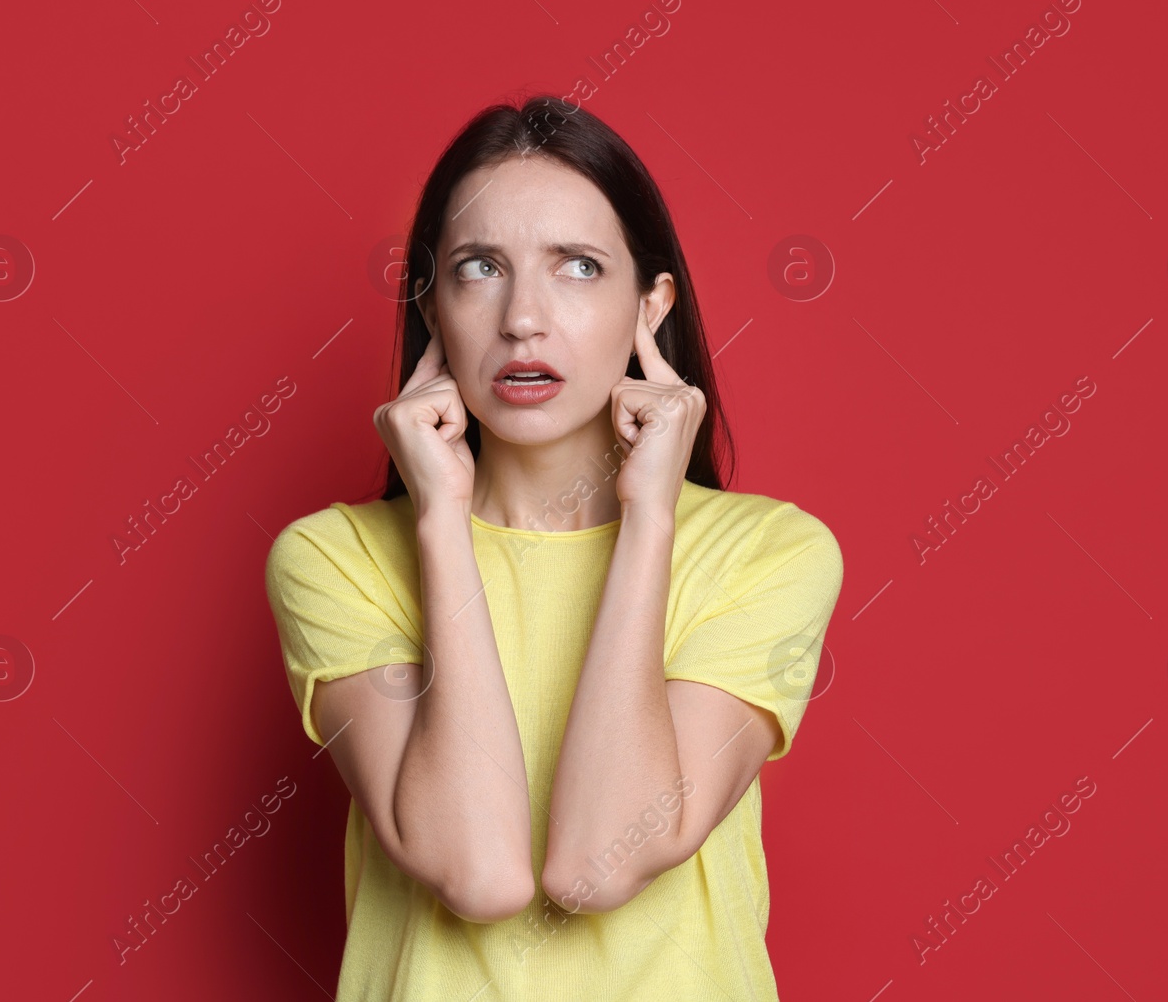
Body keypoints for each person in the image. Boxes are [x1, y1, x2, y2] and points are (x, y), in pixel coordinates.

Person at [265, 94, 845, 1000]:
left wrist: (648, 518)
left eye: (577, 266)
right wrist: (441, 519)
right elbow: (480, 872)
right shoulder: (335, 559)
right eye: (479, 267)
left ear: (651, 305)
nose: (522, 318)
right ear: (432, 303)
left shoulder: (769, 554)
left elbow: (595, 864)